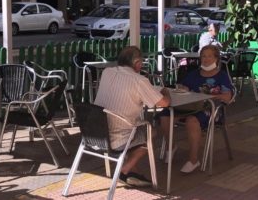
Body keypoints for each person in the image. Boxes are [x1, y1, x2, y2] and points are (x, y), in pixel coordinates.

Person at [94, 46, 171, 187]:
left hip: (95, 133)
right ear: (137, 63)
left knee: (134, 128)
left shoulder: (107, 72)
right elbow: (164, 103)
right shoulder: (139, 80)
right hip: (118, 138)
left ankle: (132, 173)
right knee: (150, 132)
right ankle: (124, 170)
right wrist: (166, 91)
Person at [156, 45, 233, 173]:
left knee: (192, 120)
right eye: (203, 56)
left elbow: (228, 96)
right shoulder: (194, 74)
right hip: (189, 106)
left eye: (209, 56)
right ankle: (171, 147)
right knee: (165, 115)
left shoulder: (222, 76)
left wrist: (209, 96)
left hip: (211, 109)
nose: (206, 59)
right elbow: (183, 87)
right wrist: (182, 89)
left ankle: (193, 160)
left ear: (216, 58)